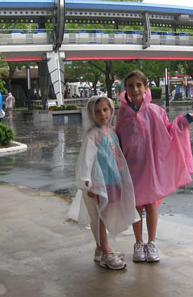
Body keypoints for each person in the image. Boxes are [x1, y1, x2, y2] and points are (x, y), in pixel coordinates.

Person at [115, 70, 193, 263]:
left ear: (146, 88)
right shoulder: (122, 113)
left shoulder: (155, 111)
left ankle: (151, 242)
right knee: (136, 205)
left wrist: (185, 119)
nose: (135, 89)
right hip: (131, 167)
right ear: (126, 90)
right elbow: (117, 137)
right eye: (130, 86)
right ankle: (139, 242)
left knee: (151, 204)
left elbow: (168, 131)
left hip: (151, 166)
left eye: (139, 85)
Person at [68, 95, 139, 271]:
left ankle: (100, 249)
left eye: (105, 110)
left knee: (106, 214)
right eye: (97, 112)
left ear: (111, 110)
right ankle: (105, 250)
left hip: (111, 180)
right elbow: (86, 159)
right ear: (91, 114)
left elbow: (117, 156)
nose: (102, 114)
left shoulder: (111, 132)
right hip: (99, 182)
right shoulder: (93, 135)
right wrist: (88, 182)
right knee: (99, 216)